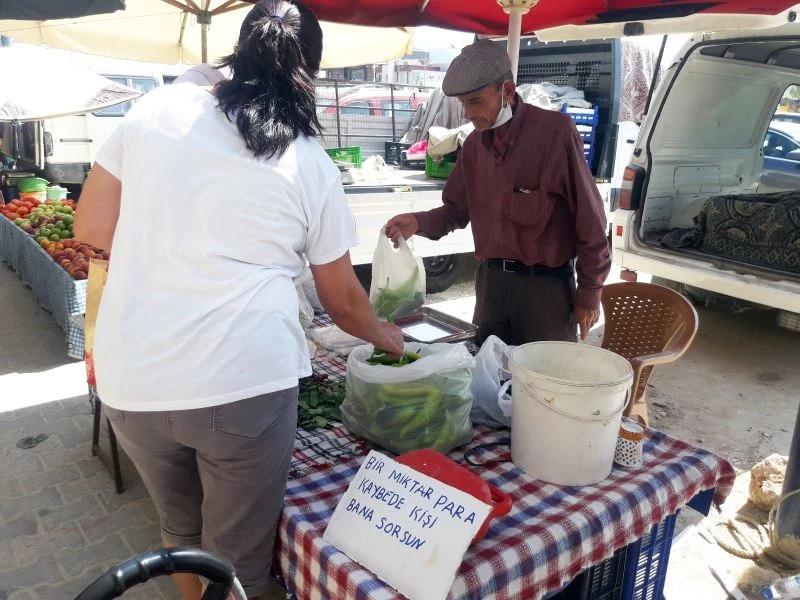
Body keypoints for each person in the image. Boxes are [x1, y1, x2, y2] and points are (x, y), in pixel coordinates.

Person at [74, 2, 404, 599]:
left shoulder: (154, 109)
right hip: (243, 382)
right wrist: (387, 337)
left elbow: (92, 228)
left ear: (237, 51)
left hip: (133, 380)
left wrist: (169, 248)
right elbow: (343, 300)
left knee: (180, 531)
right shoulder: (307, 159)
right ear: (310, 71)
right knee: (238, 561)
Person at [385, 39, 611, 345]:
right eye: (463, 103)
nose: (467, 113)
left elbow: (591, 219)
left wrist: (589, 291)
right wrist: (418, 221)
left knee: (542, 382)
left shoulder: (555, 133)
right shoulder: (474, 145)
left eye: (475, 101)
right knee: (488, 375)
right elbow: (455, 211)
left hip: (544, 292)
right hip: (491, 286)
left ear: (506, 91)